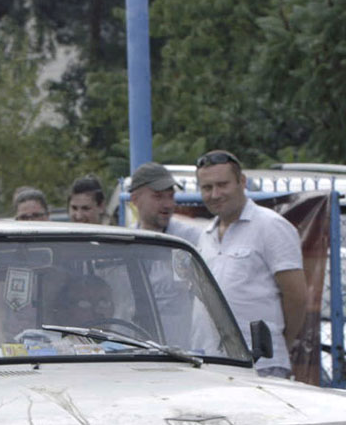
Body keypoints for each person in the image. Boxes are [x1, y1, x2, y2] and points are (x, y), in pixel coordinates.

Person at [195, 149, 306, 378]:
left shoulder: (271, 226)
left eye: (222, 184)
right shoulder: (205, 235)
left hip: (261, 366)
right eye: (207, 188)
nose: (215, 194)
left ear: (242, 182)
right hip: (211, 365)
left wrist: (278, 345)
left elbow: (297, 297)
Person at [129, 161, 202, 347]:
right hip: (133, 344)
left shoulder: (187, 240)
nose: (168, 204)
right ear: (135, 199)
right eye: (158, 196)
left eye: (171, 196)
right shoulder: (125, 240)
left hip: (179, 346)